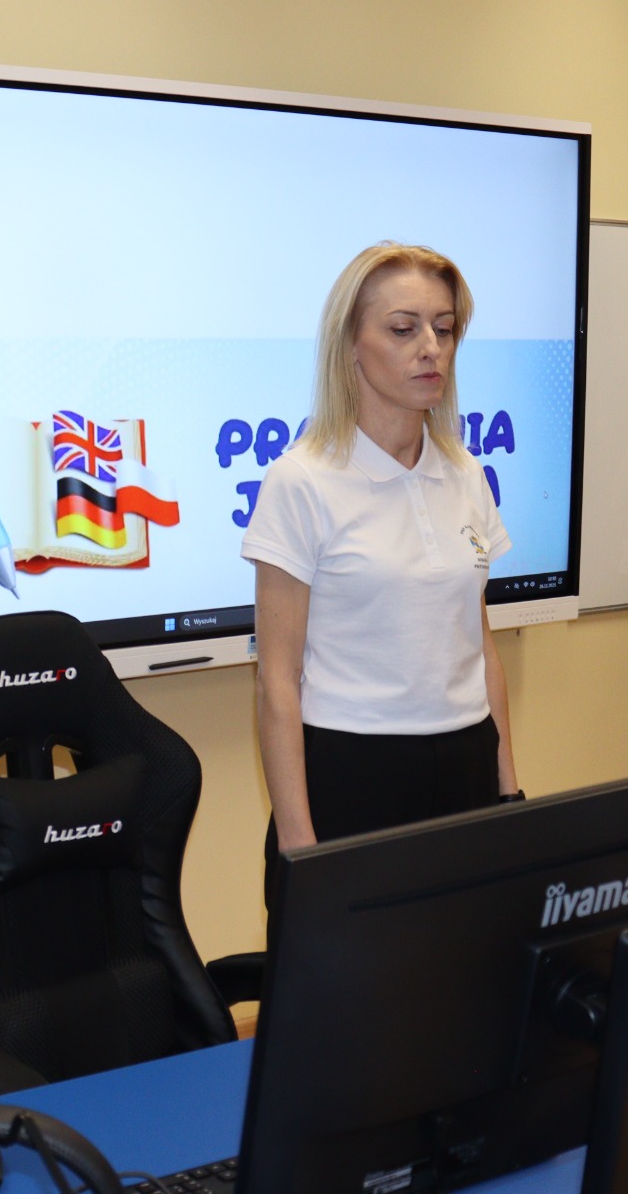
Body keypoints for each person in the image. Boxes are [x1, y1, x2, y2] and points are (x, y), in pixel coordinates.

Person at [241, 243, 520, 909]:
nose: (431, 349)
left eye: (444, 329)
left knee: (464, 964)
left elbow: (480, 646)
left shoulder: (465, 473)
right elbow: (277, 680)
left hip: (466, 764)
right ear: (350, 347)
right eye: (403, 329)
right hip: (352, 774)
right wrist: (300, 846)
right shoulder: (301, 480)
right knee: (351, 976)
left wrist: (509, 793)